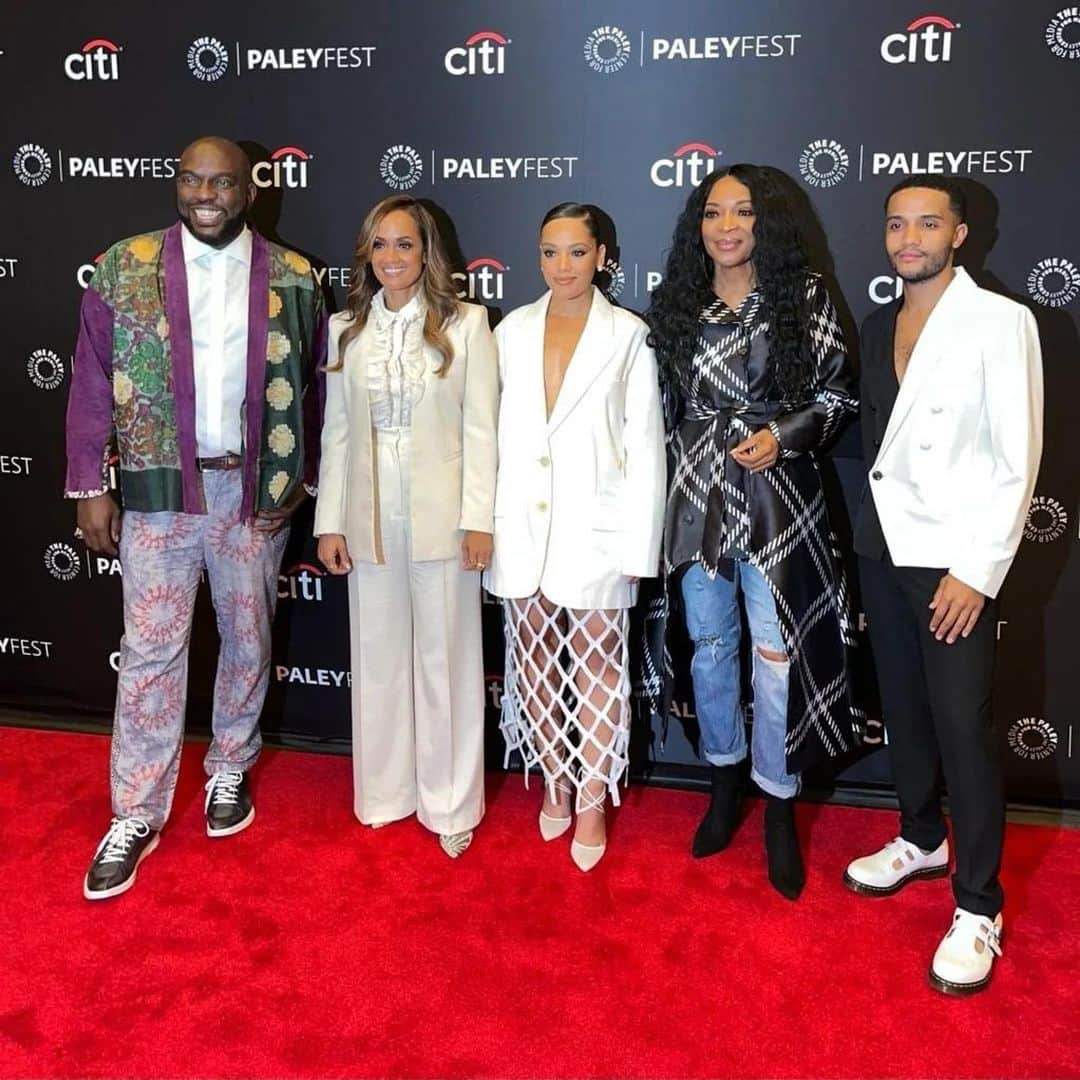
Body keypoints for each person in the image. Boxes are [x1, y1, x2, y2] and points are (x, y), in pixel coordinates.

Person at [67, 137, 326, 899]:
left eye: (220, 181)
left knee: (248, 636)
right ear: (176, 183)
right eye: (190, 178)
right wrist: (89, 482)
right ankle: (135, 812)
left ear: (251, 189)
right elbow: (88, 378)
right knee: (148, 650)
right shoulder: (125, 264)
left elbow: (314, 390)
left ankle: (229, 771)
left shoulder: (293, 276)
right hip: (156, 493)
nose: (204, 192)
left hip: (250, 492)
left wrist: (299, 479)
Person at [845, 175, 1043, 994]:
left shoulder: (1002, 322)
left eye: (928, 224)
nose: (909, 238)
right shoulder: (877, 322)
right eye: (897, 225)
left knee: (963, 728)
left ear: (959, 235)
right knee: (906, 714)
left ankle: (978, 904)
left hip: (955, 562)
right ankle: (921, 837)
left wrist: (977, 569)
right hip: (883, 550)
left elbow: (1016, 457)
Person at [646, 164, 862, 900]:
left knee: (776, 653)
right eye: (713, 213)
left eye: (742, 212)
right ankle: (723, 780)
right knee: (710, 647)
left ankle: (777, 800)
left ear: (767, 222)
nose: (727, 226)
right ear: (696, 226)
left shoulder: (804, 298)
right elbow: (658, 415)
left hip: (778, 497)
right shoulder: (676, 304)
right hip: (696, 492)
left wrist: (784, 435)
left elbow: (838, 397)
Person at [315, 195, 497, 858]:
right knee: (379, 657)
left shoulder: (469, 324)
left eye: (405, 245)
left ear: (427, 253)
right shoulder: (345, 329)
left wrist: (479, 518)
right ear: (367, 254)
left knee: (447, 660)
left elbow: (482, 430)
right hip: (368, 516)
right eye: (381, 245)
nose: (392, 257)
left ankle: (451, 804)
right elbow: (336, 434)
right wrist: (329, 520)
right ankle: (386, 793)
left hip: (445, 516)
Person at [485, 203, 665, 872]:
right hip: (521, 531)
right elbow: (492, 437)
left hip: (598, 532)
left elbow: (647, 448)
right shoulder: (510, 331)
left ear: (601, 256)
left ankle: (594, 794)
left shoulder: (629, 336)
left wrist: (637, 549)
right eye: (549, 252)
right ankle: (553, 779)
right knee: (532, 666)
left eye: (576, 252)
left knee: (597, 672)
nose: (562, 266)